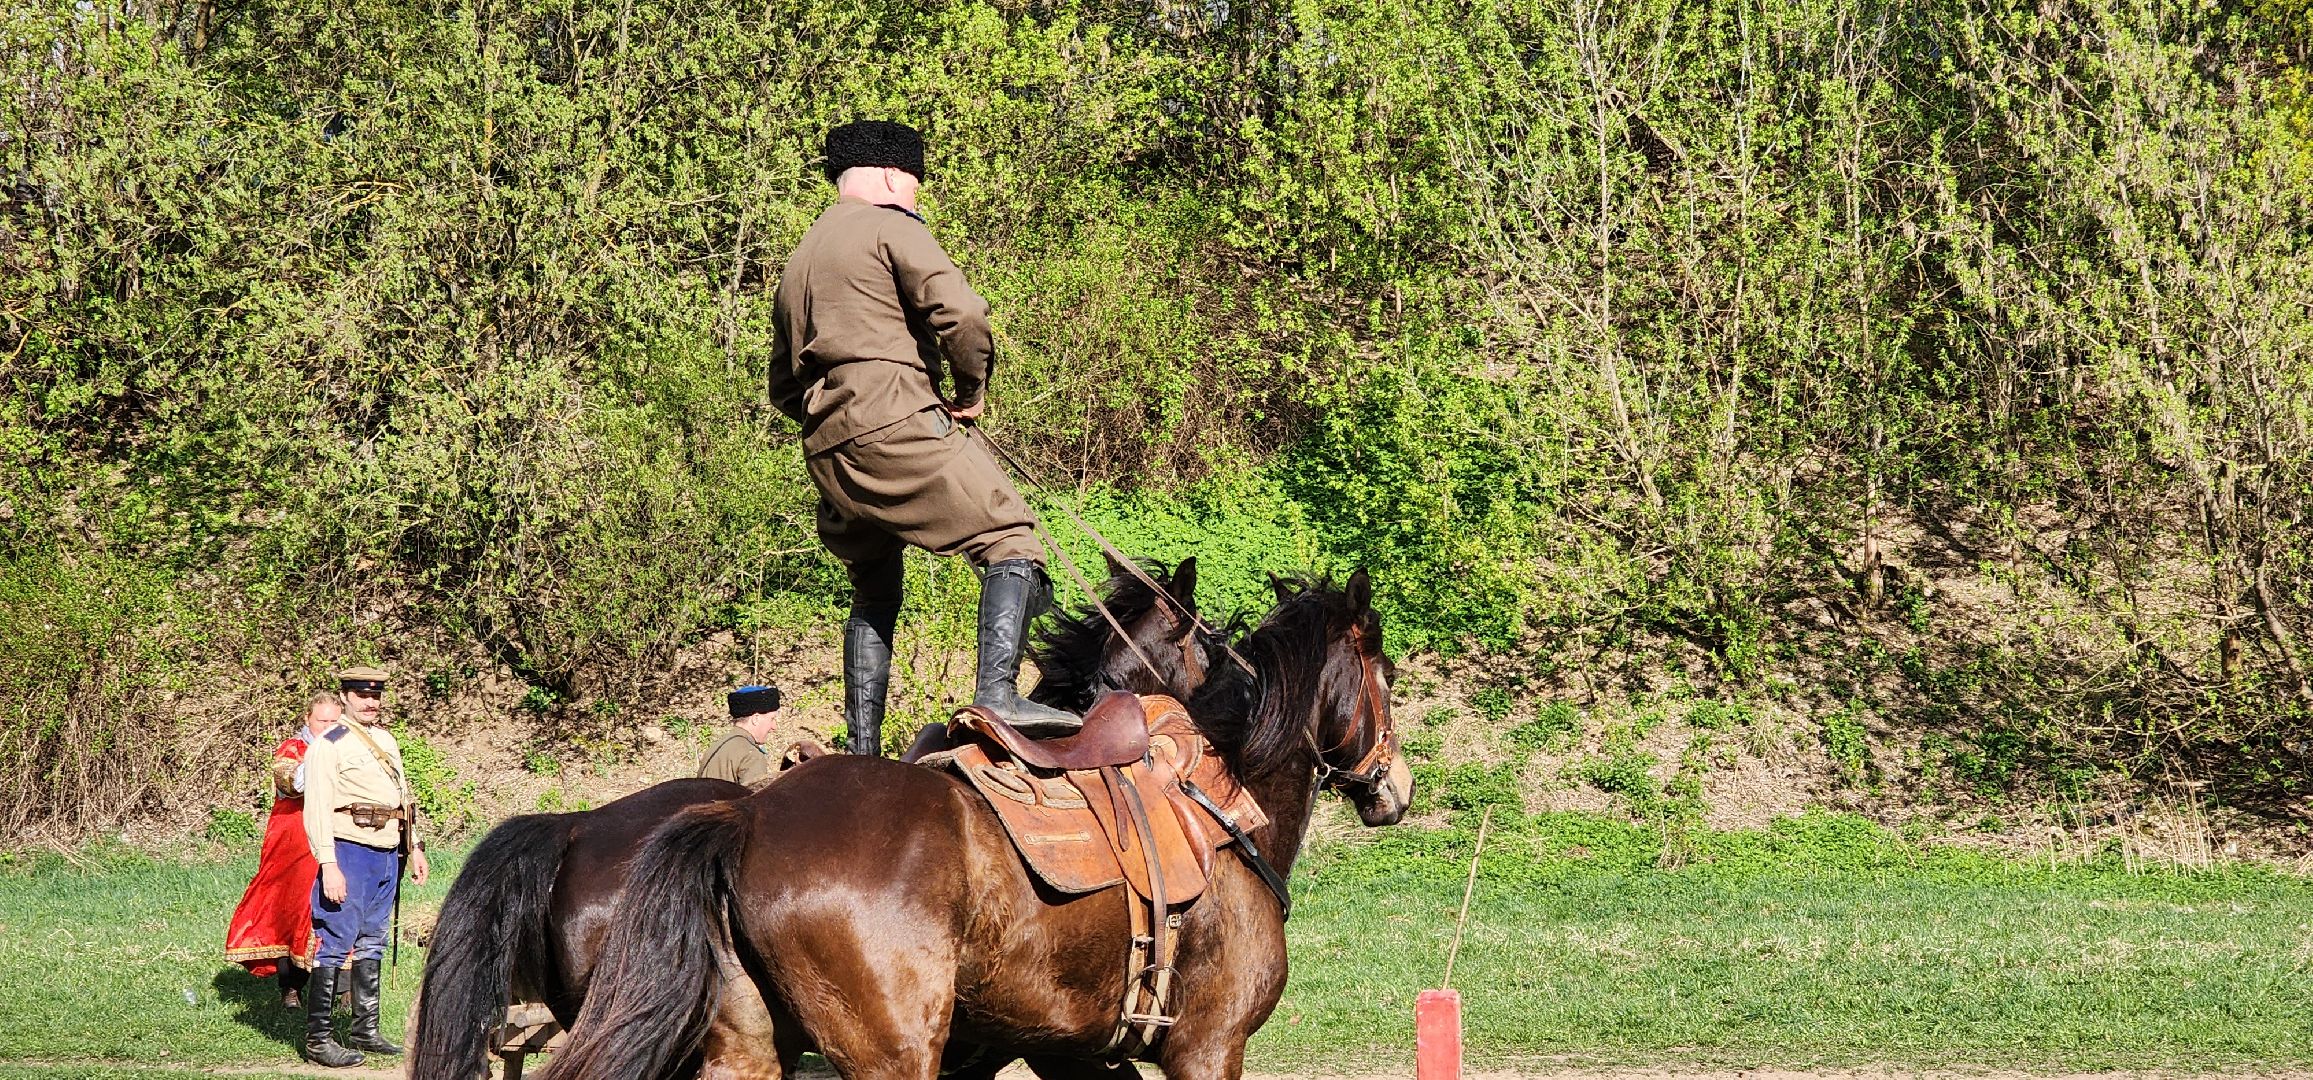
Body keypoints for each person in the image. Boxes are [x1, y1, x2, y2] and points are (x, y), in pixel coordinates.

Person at [767, 119, 1075, 757]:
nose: (916, 196)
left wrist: (837, 419)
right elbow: (961, 315)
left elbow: (781, 386)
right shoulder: (890, 226)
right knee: (1009, 533)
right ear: (887, 175)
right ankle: (997, 694)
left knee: (875, 585)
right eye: (913, 183)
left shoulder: (799, 259)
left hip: (827, 444)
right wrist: (968, 391)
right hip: (895, 414)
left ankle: (861, 749)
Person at [297, 666, 430, 1067]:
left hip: (387, 849)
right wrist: (327, 864)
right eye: (361, 695)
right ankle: (318, 1039)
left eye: (375, 695)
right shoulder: (330, 743)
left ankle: (365, 1030)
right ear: (347, 697)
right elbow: (316, 807)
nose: (370, 702)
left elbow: (403, 798)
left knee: (374, 939)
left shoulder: (386, 739)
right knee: (336, 940)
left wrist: (416, 846)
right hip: (349, 849)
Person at [223, 692, 342, 1008]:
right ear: (308, 719)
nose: (329, 727)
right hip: (294, 844)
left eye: (335, 722)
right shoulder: (293, 749)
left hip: (336, 840)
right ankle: (291, 987)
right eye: (323, 721)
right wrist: (324, 752)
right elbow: (292, 784)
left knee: (338, 909)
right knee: (290, 909)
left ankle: (342, 989)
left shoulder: (348, 748)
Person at [697, 684, 783, 784]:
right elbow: (755, 798)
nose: (774, 727)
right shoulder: (751, 755)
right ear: (756, 719)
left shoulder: (719, 744)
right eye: (772, 719)